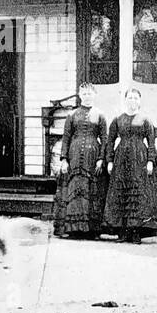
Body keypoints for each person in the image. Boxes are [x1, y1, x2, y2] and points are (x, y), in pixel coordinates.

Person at [54, 82, 109, 239]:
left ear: (95, 95)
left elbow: (105, 139)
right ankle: (73, 229)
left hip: (93, 156)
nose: (87, 97)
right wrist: (64, 159)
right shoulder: (72, 115)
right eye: (84, 94)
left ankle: (92, 230)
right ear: (79, 95)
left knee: (93, 190)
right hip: (75, 155)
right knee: (75, 188)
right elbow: (66, 138)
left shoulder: (100, 115)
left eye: (90, 94)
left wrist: (101, 159)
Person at [103, 87, 157, 243]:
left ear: (139, 101)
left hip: (139, 159)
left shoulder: (145, 120)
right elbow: (110, 142)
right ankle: (122, 232)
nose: (132, 100)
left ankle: (135, 232)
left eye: (135, 98)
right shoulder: (118, 119)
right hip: (121, 159)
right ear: (125, 100)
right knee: (122, 193)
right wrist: (110, 160)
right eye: (130, 97)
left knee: (137, 193)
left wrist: (150, 161)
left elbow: (152, 143)